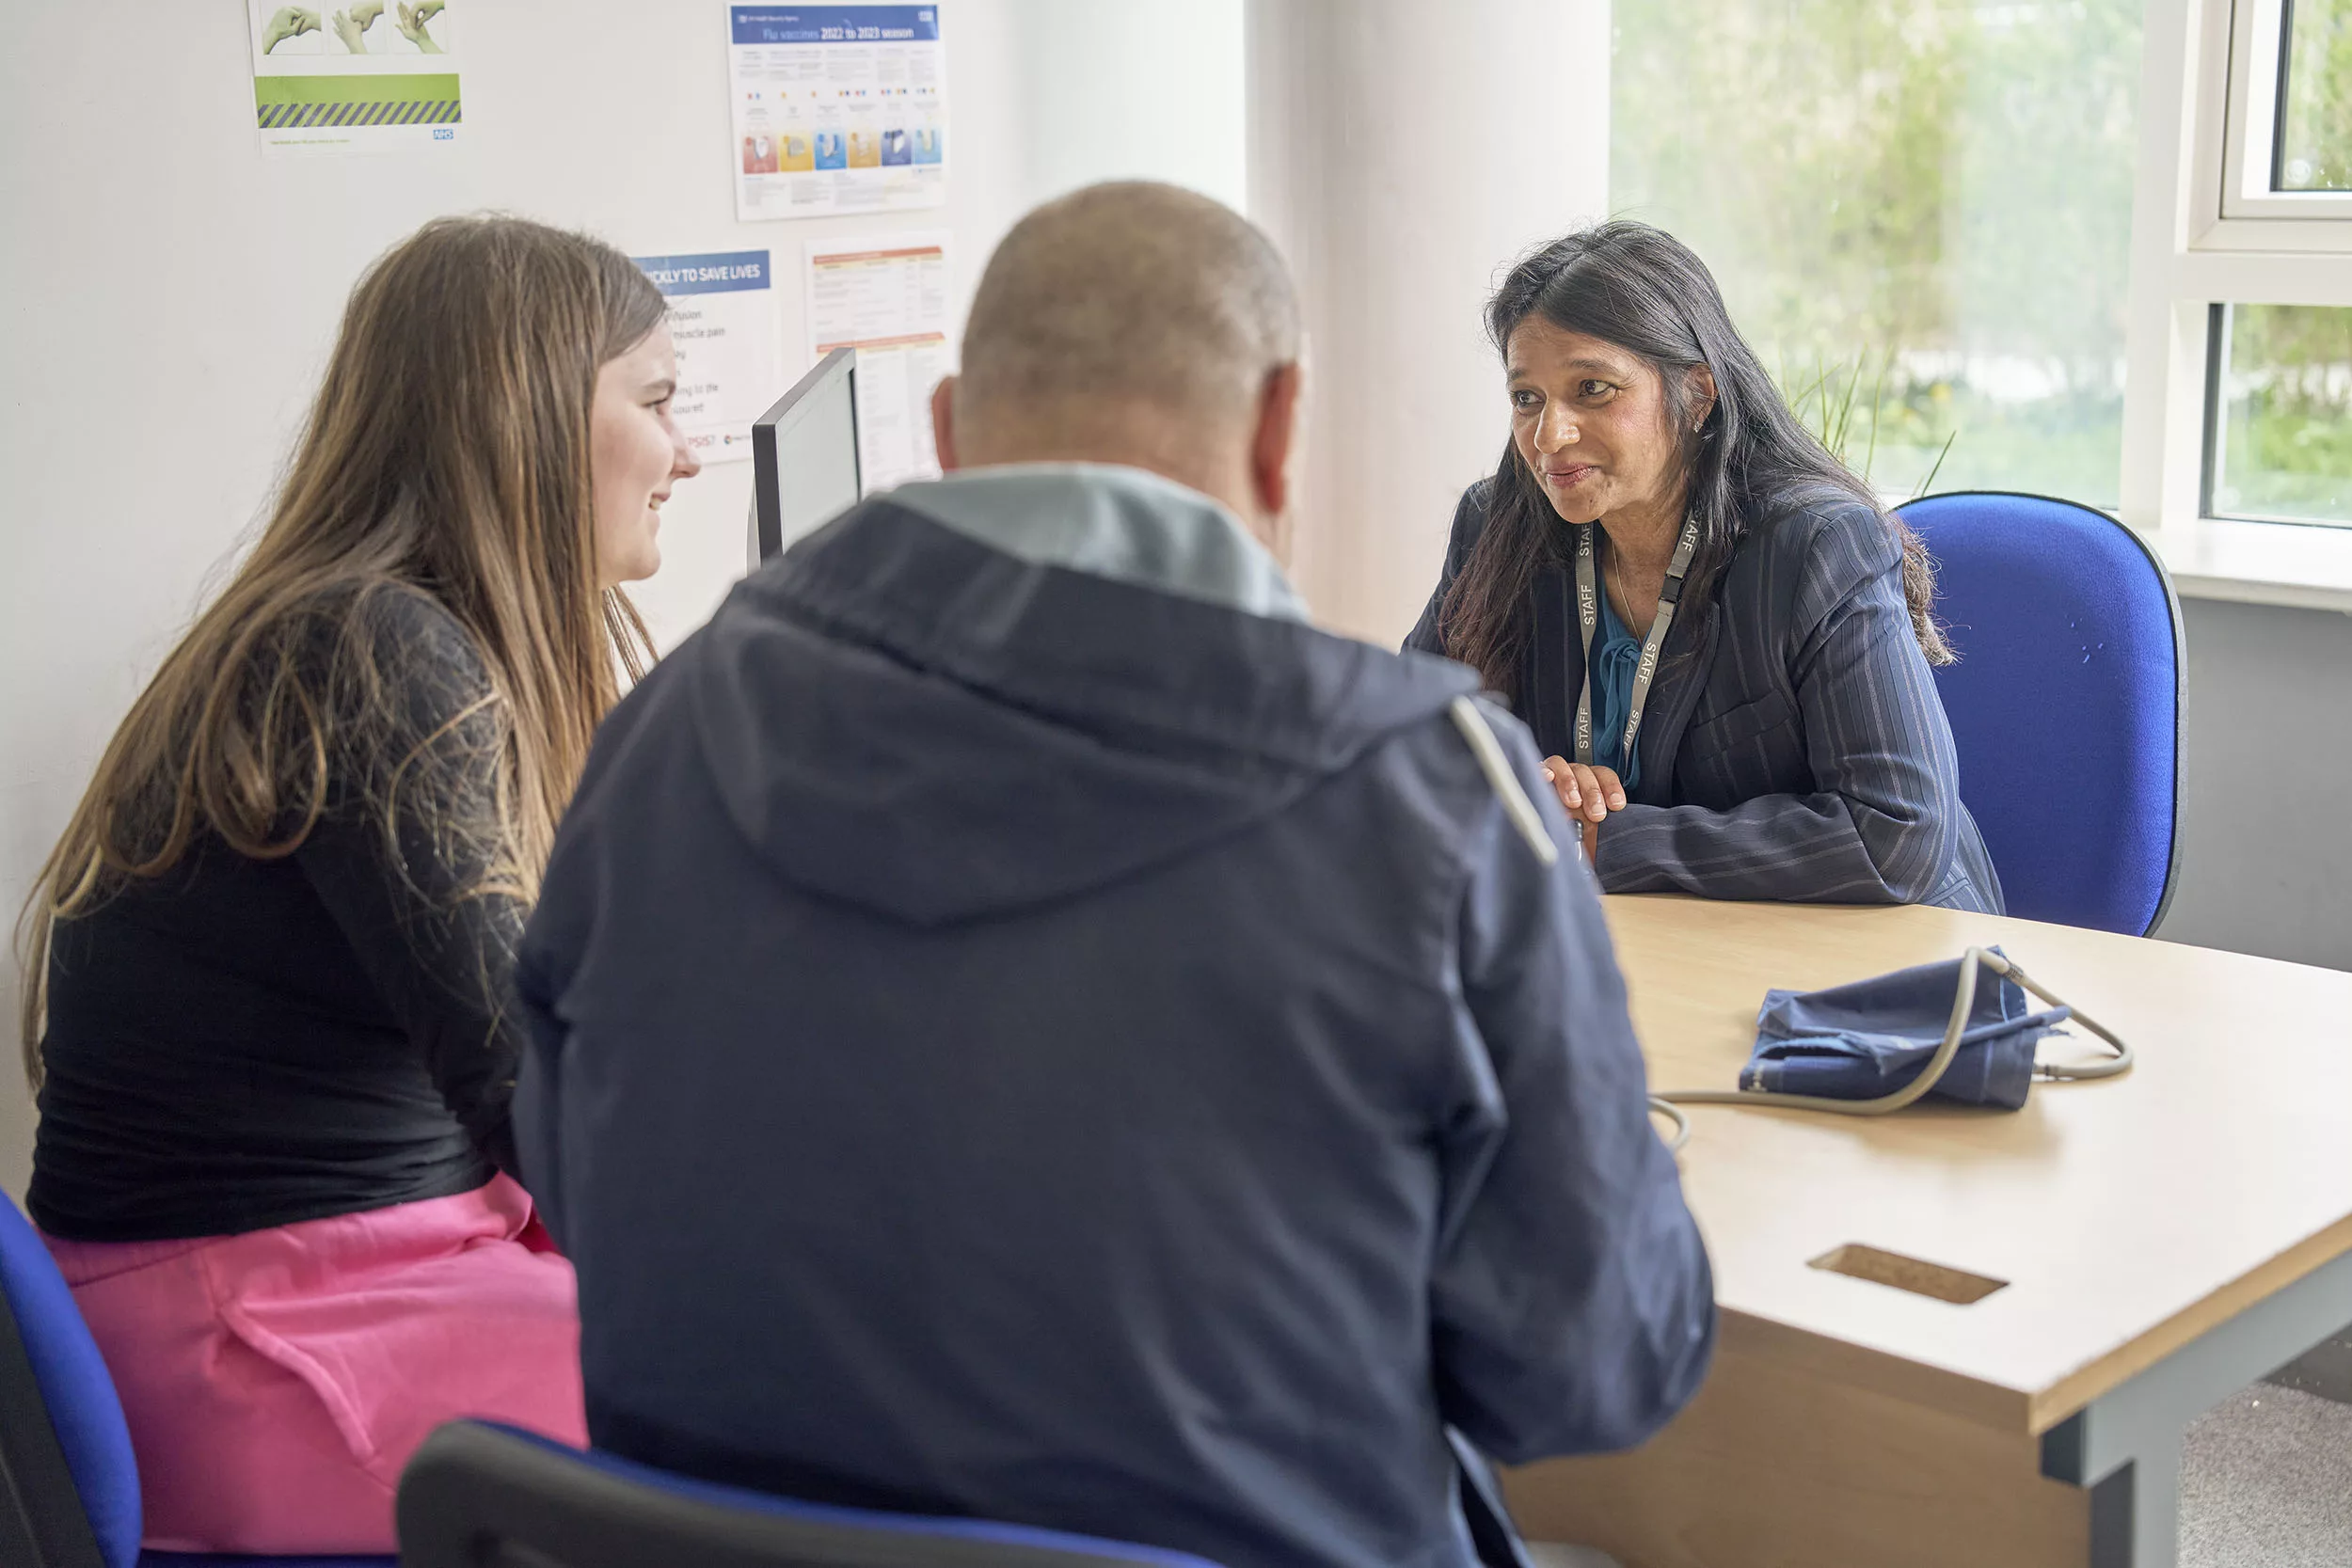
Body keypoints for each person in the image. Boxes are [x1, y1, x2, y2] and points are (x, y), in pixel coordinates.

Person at [512, 182, 1714, 1568]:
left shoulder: (663, 730)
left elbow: (574, 1173)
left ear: (951, 433)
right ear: (1278, 432)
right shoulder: (1430, 793)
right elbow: (1589, 1370)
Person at [16, 214, 701, 1554]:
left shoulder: (393, 634)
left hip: (354, 1269)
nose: (686, 451)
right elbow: (535, 1092)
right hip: (253, 1325)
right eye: (661, 401)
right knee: (818, 1408)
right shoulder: (371, 650)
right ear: (530, 414)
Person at [1407, 222, 2003, 911]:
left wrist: (1603, 842)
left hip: (1875, 959)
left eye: (1593, 388)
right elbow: (1405, 741)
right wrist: (1523, 783)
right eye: (1526, 398)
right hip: (1636, 939)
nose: (1550, 435)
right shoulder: (1497, 526)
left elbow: (1898, 834)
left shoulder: (1814, 545)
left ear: (1696, 394)